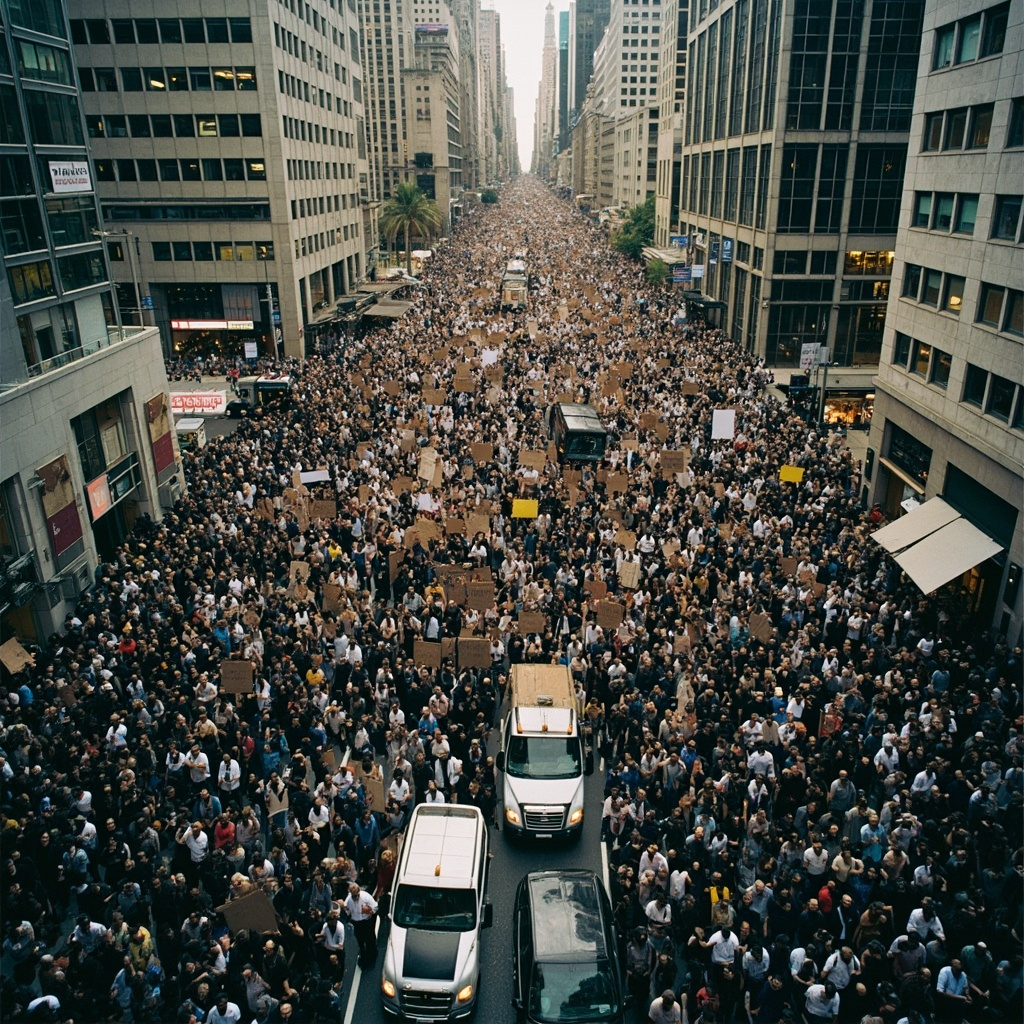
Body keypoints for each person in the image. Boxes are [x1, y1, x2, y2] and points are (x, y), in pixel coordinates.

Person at [344, 881, 379, 968]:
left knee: (370, 939)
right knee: (360, 939)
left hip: (366, 921)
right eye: (353, 895)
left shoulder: (366, 897)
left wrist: (370, 911)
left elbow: (375, 907)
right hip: (356, 922)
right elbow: (347, 910)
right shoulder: (348, 900)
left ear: (359, 891)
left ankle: (372, 955)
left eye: (356, 894)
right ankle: (363, 955)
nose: (355, 897)